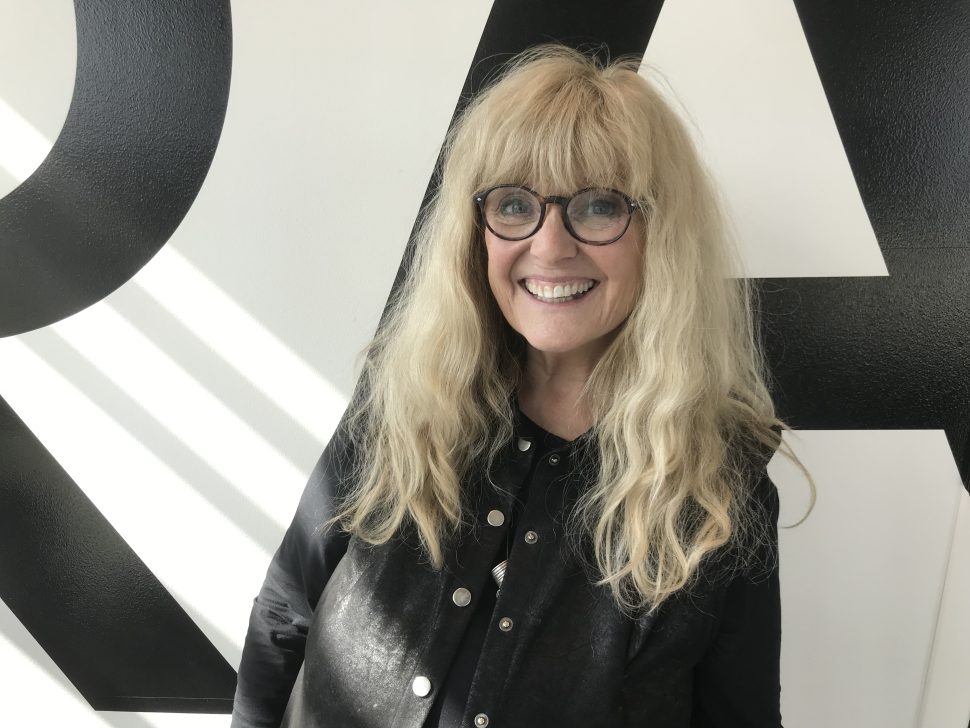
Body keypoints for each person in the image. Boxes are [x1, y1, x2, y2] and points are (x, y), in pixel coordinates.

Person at [231, 44, 813, 728]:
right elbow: (285, 614)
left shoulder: (719, 485)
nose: (550, 246)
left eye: (599, 206)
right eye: (514, 204)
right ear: (475, 231)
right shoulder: (403, 399)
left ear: (662, 234)